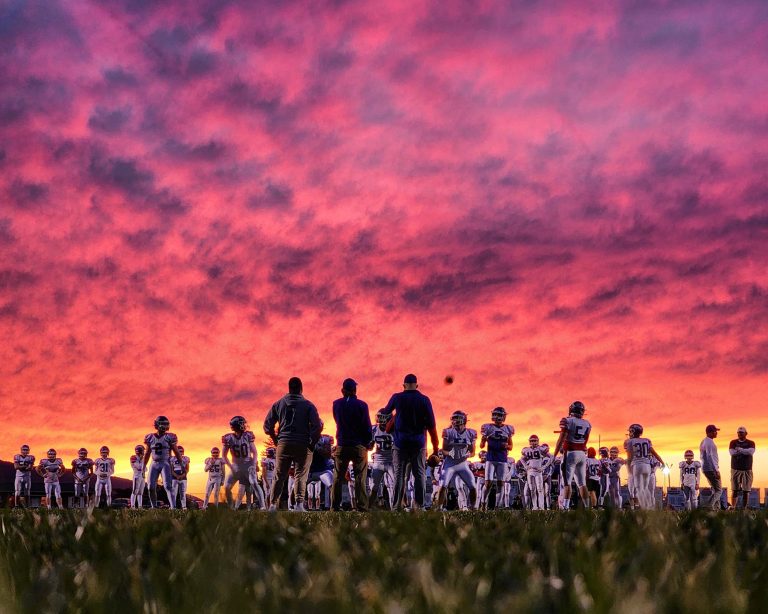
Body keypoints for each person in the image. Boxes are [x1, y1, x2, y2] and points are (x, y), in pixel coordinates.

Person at [264, 376, 323, 511]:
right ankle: (299, 504)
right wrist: (312, 443)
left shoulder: (279, 403)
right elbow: (317, 426)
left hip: (284, 442)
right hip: (302, 443)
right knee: (300, 475)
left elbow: (267, 425)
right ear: (301, 388)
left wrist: (275, 439)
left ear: (289, 388)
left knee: (279, 475)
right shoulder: (308, 405)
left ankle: (273, 504)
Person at [384, 374, 439, 511]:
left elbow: (385, 412)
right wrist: (435, 448)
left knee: (399, 475)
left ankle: (396, 506)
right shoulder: (424, 399)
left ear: (403, 385)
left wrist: (397, 416)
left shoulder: (397, 397)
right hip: (418, 443)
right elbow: (432, 425)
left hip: (400, 443)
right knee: (419, 475)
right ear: (417, 385)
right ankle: (419, 506)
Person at [331, 378, 373, 511]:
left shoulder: (336, 404)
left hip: (342, 444)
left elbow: (337, 421)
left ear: (342, 390)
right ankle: (362, 506)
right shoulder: (362, 405)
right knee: (360, 477)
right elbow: (367, 426)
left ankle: (334, 506)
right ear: (355, 390)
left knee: (338, 477)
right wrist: (368, 441)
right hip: (358, 445)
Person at [435, 411, 477, 510]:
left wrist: (468, 454)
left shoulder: (471, 433)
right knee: (443, 486)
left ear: (464, 419)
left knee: (473, 486)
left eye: (457, 418)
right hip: (449, 463)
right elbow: (443, 450)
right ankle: (439, 508)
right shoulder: (448, 432)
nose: (455, 420)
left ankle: (472, 508)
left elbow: (473, 452)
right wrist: (449, 453)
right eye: (454, 418)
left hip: (463, 464)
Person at [553, 401, 592, 509]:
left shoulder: (568, 421)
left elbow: (561, 439)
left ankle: (565, 507)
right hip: (582, 454)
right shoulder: (587, 424)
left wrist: (554, 455)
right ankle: (588, 508)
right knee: (582, 484)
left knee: (567, 483)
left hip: (570, 453)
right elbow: (585, 441)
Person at [143, 415, 185, 509]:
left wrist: (181, 464)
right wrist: (143, 466)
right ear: (157, 424)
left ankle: (173, 507)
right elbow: (147, 453)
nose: (165, 426)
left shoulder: (169, 437)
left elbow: (176, 452)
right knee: (150, 487)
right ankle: (154, 507)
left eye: (166, 424)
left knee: (167, 486)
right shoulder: (150, 437)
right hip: (154, 463)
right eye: (163, 424)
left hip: (165, 463)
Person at [480, 407, 515, 510]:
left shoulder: (508, 429)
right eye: (496, 415)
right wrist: (484, 439)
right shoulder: (488, 428)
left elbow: (511, 447)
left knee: (501, 483)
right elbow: (481, 446)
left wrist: (506, 446)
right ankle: (483, 503)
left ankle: (497, 506)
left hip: (502, 459)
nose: (498, 417)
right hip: (491, 458)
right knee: (488, 483)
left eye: (500, 415)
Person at [625, 424, 664, 510]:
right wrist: (662, 462)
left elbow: (629, 457)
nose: (630, 433)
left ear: (633, 432)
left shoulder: (630, 442)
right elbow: (655, 453)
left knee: (639, 488)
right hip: (647, 466)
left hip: (637, 465)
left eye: (631, 431)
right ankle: (649, 507)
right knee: (645, 488)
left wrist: (629, 469)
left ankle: (644, 507)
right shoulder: (647, 440)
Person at [223, 416, 258, 509]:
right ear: (238, 425)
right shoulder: (229, 438)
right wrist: (231, 467)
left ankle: (248, 508)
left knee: (249, 492)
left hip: (246, 467)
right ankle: (233, 507)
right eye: (242, 423)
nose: (244, 425)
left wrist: (253, 465)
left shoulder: (247, 436)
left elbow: (254, 453)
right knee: (231, 488)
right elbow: (224, 455)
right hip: (237, 467)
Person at [369, 409, 396, 509]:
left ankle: (397, 507)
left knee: (396, 485)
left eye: (382, 416)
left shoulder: (395, 429)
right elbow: (370, 446)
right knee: (374, 486)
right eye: (379, 416)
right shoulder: (374, 429)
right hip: (378, 462)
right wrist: (369, 445)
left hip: (391, 461)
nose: (379, 419)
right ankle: (368, 508)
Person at [521, 435, 551, 510]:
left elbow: (551, 457)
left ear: (537, 441)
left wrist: (543, 467)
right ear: (529, 441)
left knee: (540, 489)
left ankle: (541, 507)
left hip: (538, 472)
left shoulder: (541, 449)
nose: (533, 442)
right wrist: (525, 466)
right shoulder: (527, 450)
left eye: (534, 440)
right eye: (531, 441)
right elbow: (522, 459)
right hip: (530, 472)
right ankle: (535, 506)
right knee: (532, 490)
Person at [729, 426, 756, 509]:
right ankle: (733, 507)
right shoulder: (733, 442)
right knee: (734, 490)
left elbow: (750, 452)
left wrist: (739, 449)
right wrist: (745, 451)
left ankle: (744, 508)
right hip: (735, 469)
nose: (740, 434)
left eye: (741, 432)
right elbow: (732, 453)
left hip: (747, 469)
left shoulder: (751, 442)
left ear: (746, 433)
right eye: (738, 433)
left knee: (746, 490)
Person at [699, 424, 722, 510]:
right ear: (710, 432)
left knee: (715, 489)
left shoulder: (703, 441)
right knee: (719, 490)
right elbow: (710, 456)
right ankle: (709, 505)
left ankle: (716, 508)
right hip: (711, 469)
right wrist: (716, 470)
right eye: (715, 431)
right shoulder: (710, 443)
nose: (716, 433)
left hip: (705, 468)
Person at [170, 445, 190, 509]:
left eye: (181, 451)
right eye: (178, 451)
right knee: (174, 493)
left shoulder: (186, 459)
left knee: (183, 493)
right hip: (174, 478)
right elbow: (171, 470)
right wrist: (176, 476)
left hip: (183, 478)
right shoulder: (172, 459)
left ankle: (184, 507)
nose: (179, 453)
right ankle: (173, 507)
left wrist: (182, 475)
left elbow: (187, 469)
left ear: (183, 452)